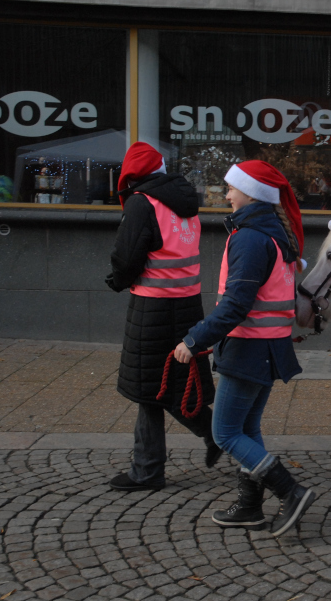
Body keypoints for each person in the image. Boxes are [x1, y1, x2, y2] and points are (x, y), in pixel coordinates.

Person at [172, 160, 315, 538]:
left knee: (226, 434)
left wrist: (194, 339)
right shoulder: (271, 235)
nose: (227, 194)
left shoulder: (251, 238)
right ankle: (250, 506)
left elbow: (236, 305)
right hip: (268, 349)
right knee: (247, 429)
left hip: (249, 349)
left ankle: (291, 491)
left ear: (251, 193)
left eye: (232, 188)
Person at [106, 141, 220, 492]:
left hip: (153, 307)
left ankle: (150, 469)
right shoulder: (186, 201)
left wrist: (116, 280)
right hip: (187, 304)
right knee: (173, 384)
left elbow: (127, 257)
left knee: (151, 388)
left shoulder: (143, 203)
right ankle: (210, 436)